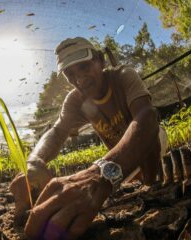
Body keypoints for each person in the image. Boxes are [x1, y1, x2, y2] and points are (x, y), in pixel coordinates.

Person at [9, 37, 167, 239]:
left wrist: (99, 174)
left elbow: (147, 118)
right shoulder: (75, 100)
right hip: (117, 156)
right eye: (70, 74)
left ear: (100, 61)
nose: (79, 78)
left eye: (84, 66)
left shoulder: (123, 76)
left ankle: (154, 187)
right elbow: (57, 132)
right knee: (127, 178)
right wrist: (34, 161)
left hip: (150, 142)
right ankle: (139, 183)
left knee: (147, 159)